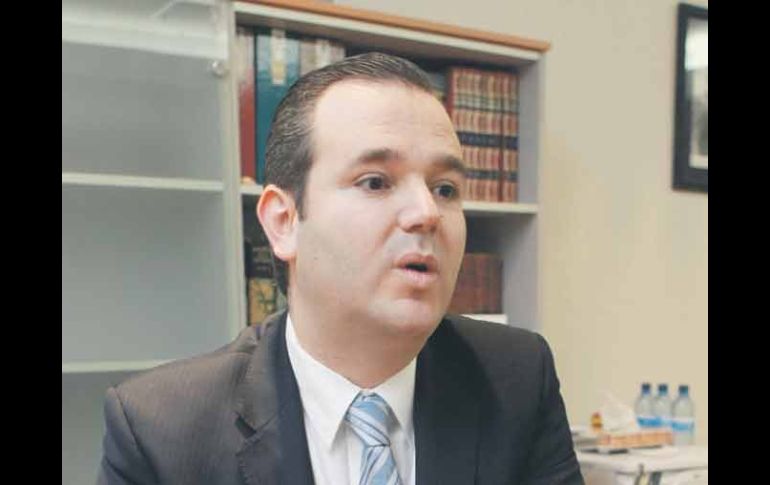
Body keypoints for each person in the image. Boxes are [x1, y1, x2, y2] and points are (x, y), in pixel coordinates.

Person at [98, 52, 583, 485]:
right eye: (375, 182)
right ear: (284, 222)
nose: (427, 213)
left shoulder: (516, 378)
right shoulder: (162, 429)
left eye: (445, 189)